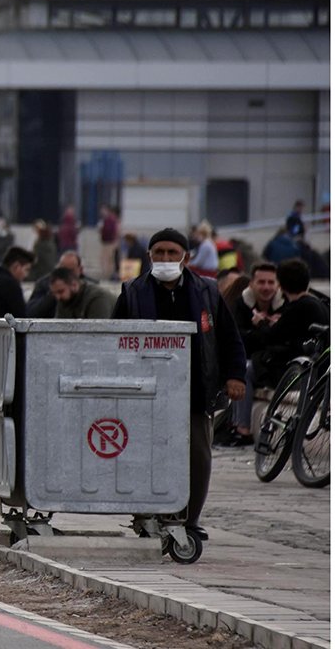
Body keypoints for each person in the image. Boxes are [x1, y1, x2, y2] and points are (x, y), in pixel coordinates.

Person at [112, 228, 246, 541]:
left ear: (185, 257)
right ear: (149, 256)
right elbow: (114, 338)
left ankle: (189, 519)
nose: (166, 259)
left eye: (173, 253)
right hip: (146, 392)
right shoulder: (132, 291)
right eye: (159, 252)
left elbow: (228, 337)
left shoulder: (207, 292)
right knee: (144, 455)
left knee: (197, 457)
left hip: (195, 391)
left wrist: (235, 375)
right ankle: (149, 514)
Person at [222, 262, 284, 447]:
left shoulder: (284, 305)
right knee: (240, 369)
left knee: (245, 370)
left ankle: (242, 428)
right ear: (252, 284)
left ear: (277, 285)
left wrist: (260, 329)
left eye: (270, 283)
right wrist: (262, 329)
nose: (266, 287)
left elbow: (279, 340)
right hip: (252, 359)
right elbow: (236, 338)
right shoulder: (241, 304)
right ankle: (238, 427)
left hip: (275, 362)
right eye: (261, 282)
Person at [27, 250, 91, 319]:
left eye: (71, 271)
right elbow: (31, 312)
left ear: (80, 269)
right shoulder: (44, 284)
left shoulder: (89, 286)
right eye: (63, 270)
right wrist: (54, 293)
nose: (66, 275)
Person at [50, 267, 116, 319]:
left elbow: (99, 332)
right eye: (54, 293)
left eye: (61, 291)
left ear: (74, 285)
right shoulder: (64, 300)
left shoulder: (97, 298)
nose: (57, 297)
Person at [99, 205, 120, 281]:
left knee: (109, 259)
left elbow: (115, 231)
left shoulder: (111, 220)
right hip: (106, 242)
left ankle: (109, 274)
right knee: (106, 259)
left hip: (110, 242)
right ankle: (107, 273)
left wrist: (115, 241)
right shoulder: (106, 220)